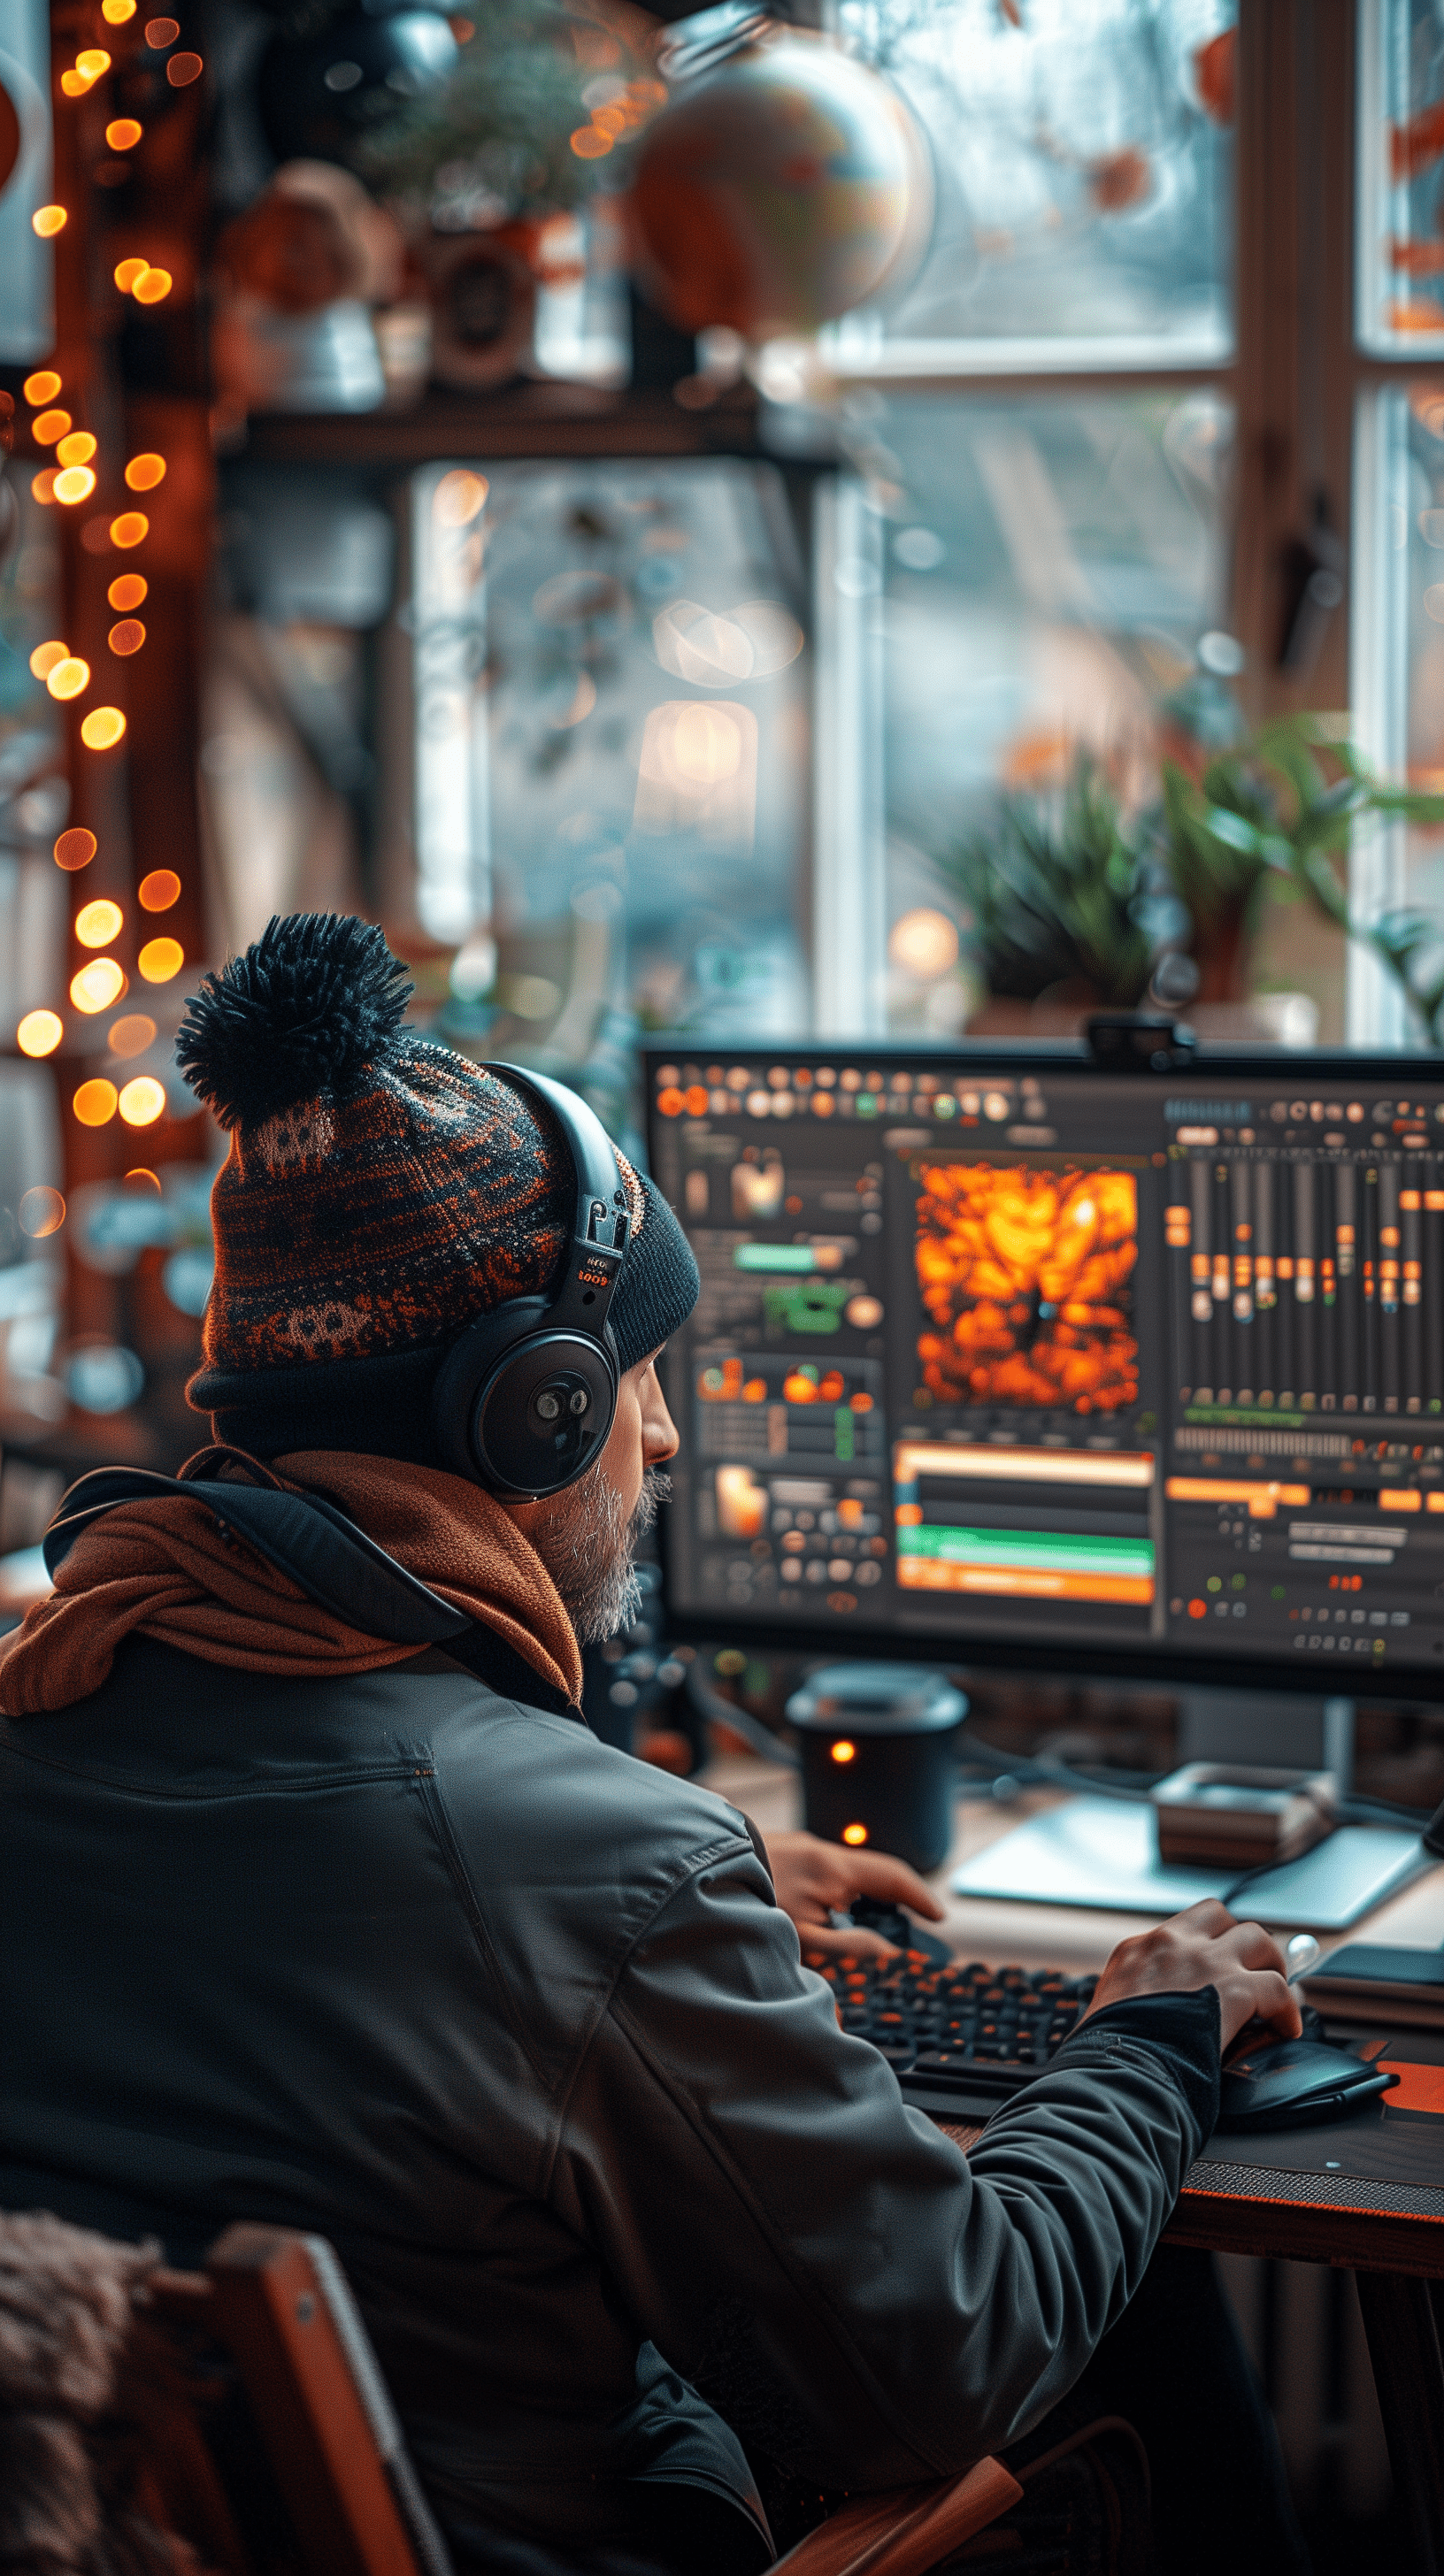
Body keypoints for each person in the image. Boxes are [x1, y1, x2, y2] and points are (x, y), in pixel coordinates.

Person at [0, 915, 1309, 2576]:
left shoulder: (45, 1706)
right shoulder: (587, 1866)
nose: (672, 1430)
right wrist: (1153, 2036)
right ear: (532, 1411)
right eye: (639, 1377)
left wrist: (669, 1884)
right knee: (1130, 2279)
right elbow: (946, 2360)